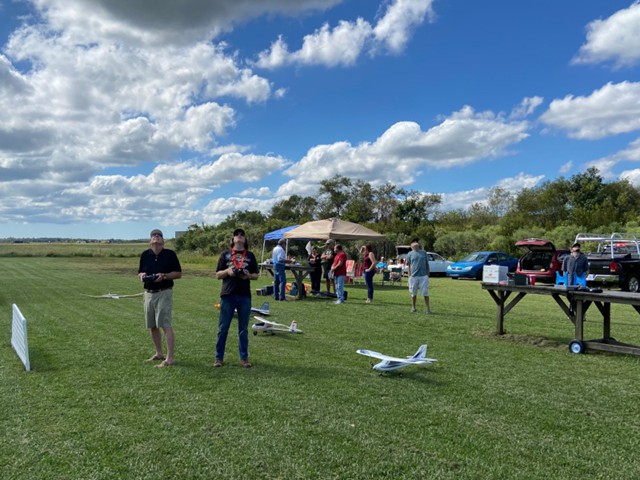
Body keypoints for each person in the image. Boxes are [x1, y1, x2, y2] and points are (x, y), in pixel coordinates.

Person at [214, 228, 259, 368]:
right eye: (236, 235)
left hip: (244, 295)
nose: (239, 236)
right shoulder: (225, 254)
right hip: (228, 294)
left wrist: (248, 275)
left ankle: (244, 358)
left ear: (245, 239)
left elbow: (256, 275)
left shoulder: (250, 255)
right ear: (233, 239)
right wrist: (228, 271)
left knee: (243, 329)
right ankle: (218, 358)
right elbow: (217, 274)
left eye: (242, 235)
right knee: (223, 328)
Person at [138, 229, 182, 367]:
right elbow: (140, 272)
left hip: (164, 292)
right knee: (152, 325)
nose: (156, 237)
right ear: (150, 241)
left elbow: (178, 273)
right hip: (148, 293)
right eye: (153, 235)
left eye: (159, 236)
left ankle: (170, 358)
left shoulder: (170, 254)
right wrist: (141, 275)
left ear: (163, 241)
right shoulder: (145, 255)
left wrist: (164, 276)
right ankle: (159, 353)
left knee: (164, 324)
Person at [406, 239, 431, 315]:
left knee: (425, 292)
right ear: (411, 246)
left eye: (416, 245)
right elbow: (409, 265)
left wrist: (427, 275)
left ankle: (428, 309)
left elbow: (427, 264)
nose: (416, 246)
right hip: (413, 276)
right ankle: (413, 307)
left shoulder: (423, 252)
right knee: (413, 293)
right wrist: (409, 275)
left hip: (423, 276)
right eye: (414, 245)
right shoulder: (409, 254)